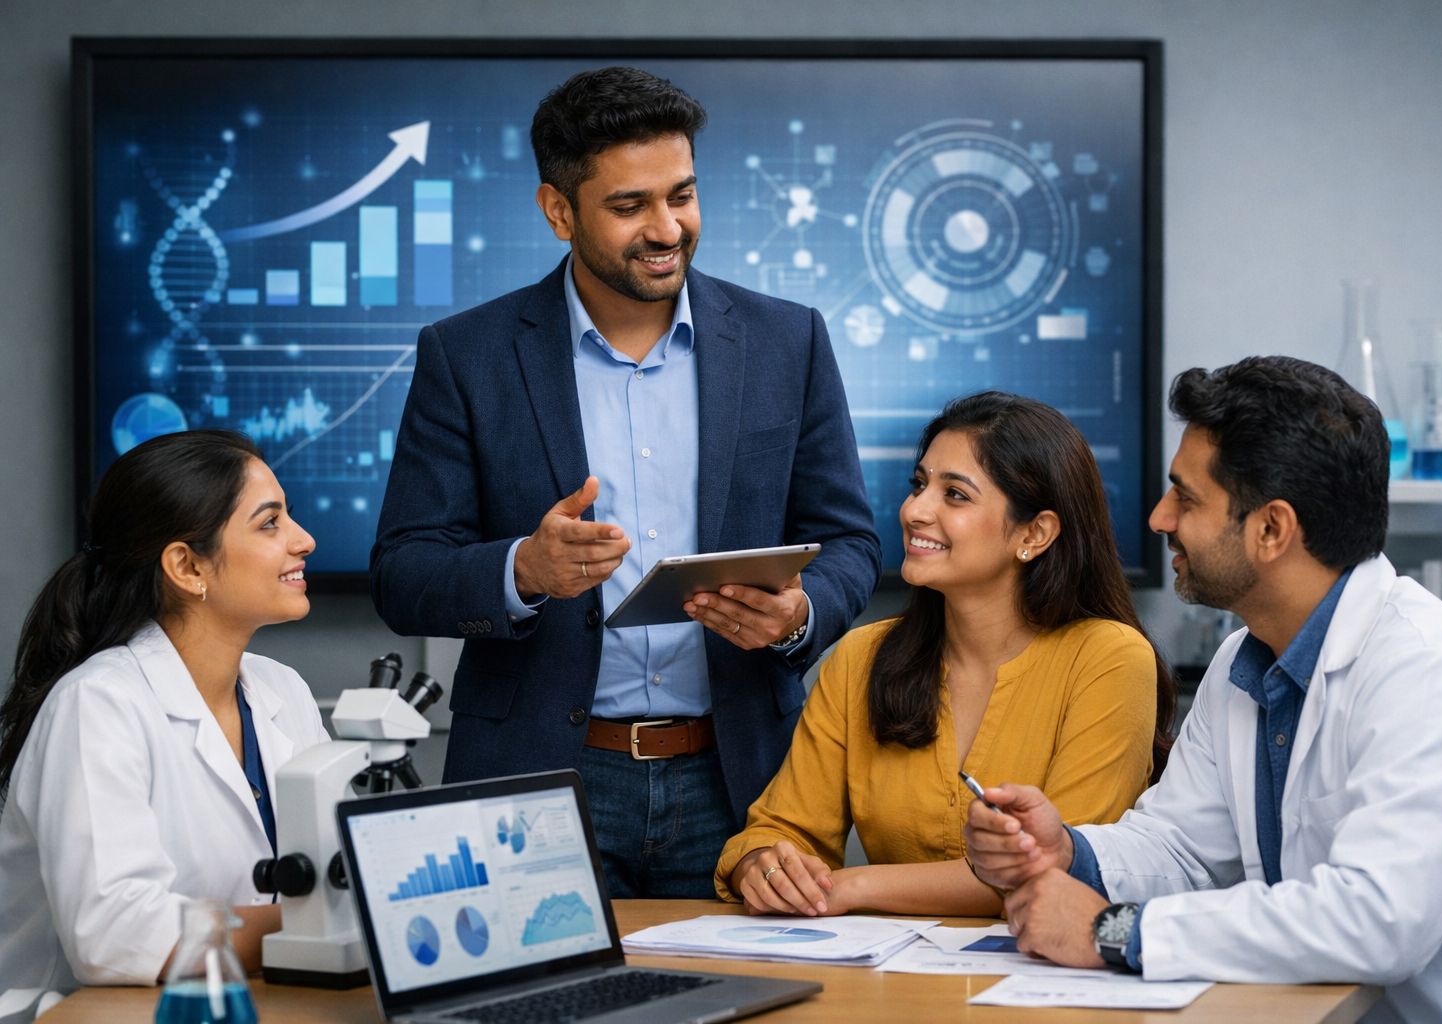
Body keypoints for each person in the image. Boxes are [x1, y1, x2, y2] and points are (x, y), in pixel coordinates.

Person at [370, 66, 879, 898]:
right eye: (629, 205)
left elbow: (852, 541)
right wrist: (521, 572)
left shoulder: (789, 342)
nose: (667, 227)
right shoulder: (467, 355)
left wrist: (799, 615)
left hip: (741, 779)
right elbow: (403, 568)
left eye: (681, 194)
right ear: (557, 210)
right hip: (537, 776)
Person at [964, 357, 1442, 1022]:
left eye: (1186, 498)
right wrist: (1067, 849)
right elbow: (1183, 847)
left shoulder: (1437, 674)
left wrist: (1116, 931)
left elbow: (1376, 921)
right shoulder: (1248, 656)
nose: (1158, 518)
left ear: (1271, 530)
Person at [714, 392, 1177, 917]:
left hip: (1045, 979)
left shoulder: (1111, 660)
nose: (914, 510)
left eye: (954, 494)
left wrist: (851, 887)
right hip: (889, 983)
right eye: (919, 484)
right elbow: (782, 828)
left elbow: (1053, 869)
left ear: (1035, 533)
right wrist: (765, 867)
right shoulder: (862, 657)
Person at [0, 430, 327, 1012]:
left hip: (240, 1000)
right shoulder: (96, 704)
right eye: (269, 523)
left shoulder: (283, 690)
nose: (305, 541)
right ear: (186, 566)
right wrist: (309, 926)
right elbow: (113, 934)